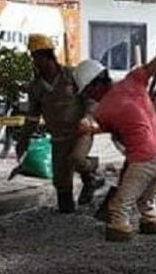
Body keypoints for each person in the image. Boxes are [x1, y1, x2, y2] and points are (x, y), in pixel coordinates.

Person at [74, 45, 156, 242]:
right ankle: (150, 221)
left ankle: (119, 229)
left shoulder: (104, 110)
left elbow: (100, 127)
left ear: (95, 85)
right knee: (146, 199)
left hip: (145, 159)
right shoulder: (133, 80)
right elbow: (152, 67)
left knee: (119, 206)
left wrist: (86, 128)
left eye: (87, 92)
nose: (88, 97)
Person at [18, 34, 104, 214]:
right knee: (61, 182)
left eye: (39, 57)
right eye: (34, 58)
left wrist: (88, 117)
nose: (37, 62)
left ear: (49, 56)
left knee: (77, 158)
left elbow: (90, 98)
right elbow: (32, 116)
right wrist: (23, 139)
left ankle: (91, 173)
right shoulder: (36, 87)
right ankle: (67, 212)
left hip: (81, 132)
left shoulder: (72, 76)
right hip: (58, 138)